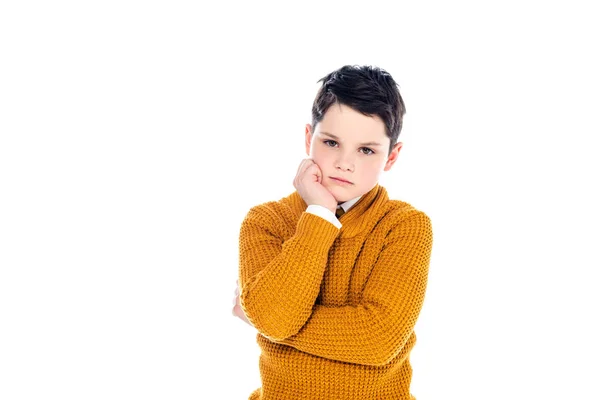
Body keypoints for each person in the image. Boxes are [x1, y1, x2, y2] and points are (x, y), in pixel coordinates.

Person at [232, 64, 433, 400]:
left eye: (366, 150)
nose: (345, 163)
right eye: (331, 142)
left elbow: (378, 339)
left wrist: (268, 323)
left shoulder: (404, 226)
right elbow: (272, 317)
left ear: (392, 156)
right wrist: (320, 214)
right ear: (309, 138)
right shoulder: (265, 221)